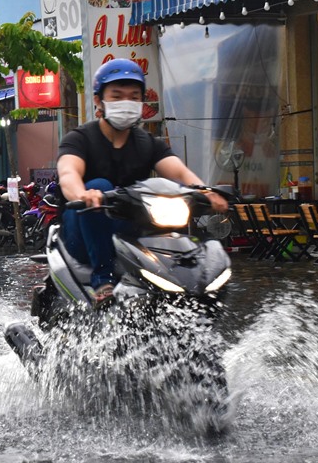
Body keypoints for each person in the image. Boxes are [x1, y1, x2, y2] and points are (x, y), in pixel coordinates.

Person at [57, 58, 228, 300]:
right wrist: (83, 194)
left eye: (134, 97)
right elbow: (68, 173)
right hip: (82, 230)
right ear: (98, 100)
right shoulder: (79, 139)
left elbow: (179, 173)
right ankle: (103, 280)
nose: (126, 102)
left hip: (131, 229)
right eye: (117, 96)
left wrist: (205, 192)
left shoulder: (149, 144)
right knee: (99, 186)